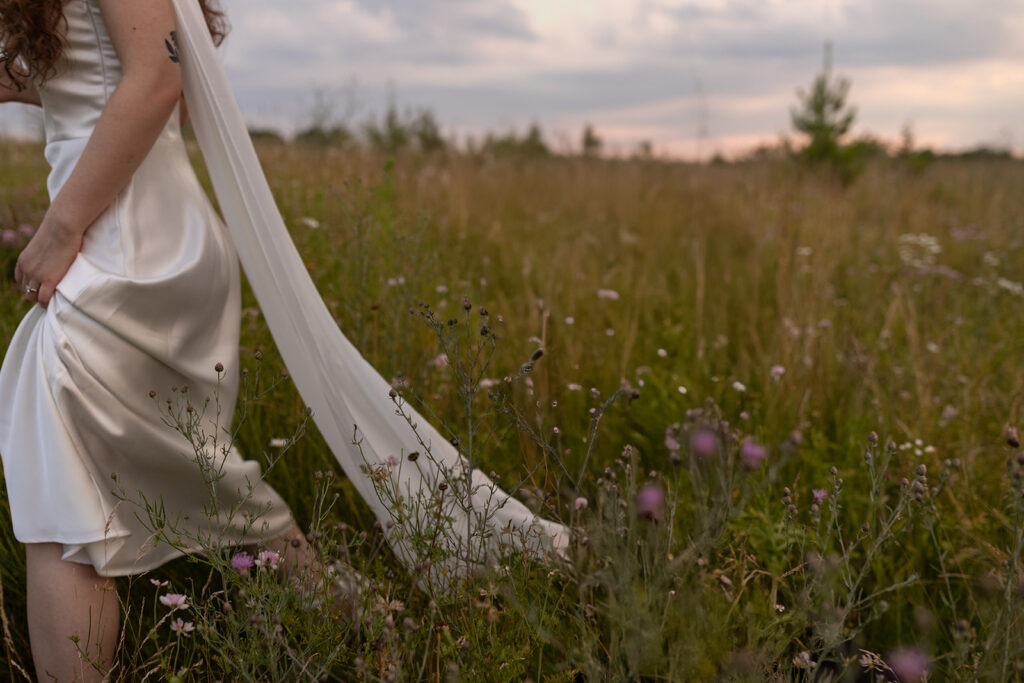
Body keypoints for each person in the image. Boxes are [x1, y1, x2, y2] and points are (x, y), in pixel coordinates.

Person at [1, 0, 571, 679]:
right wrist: (39, 80)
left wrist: (60, 228)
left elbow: (158, 79)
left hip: (129, 251)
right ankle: (370, 622)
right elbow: (124, 78)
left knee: (67, 482)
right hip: (139, 238)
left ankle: (370, 621)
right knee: (178, 474)